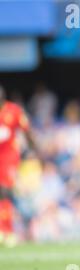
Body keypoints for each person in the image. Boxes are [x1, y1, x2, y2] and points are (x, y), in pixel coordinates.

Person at [0, 85, 39, 247]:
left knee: (4, 191)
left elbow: (27, 130)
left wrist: (33, 148)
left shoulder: (14, 111)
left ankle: (6, 232)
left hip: (8, 157)